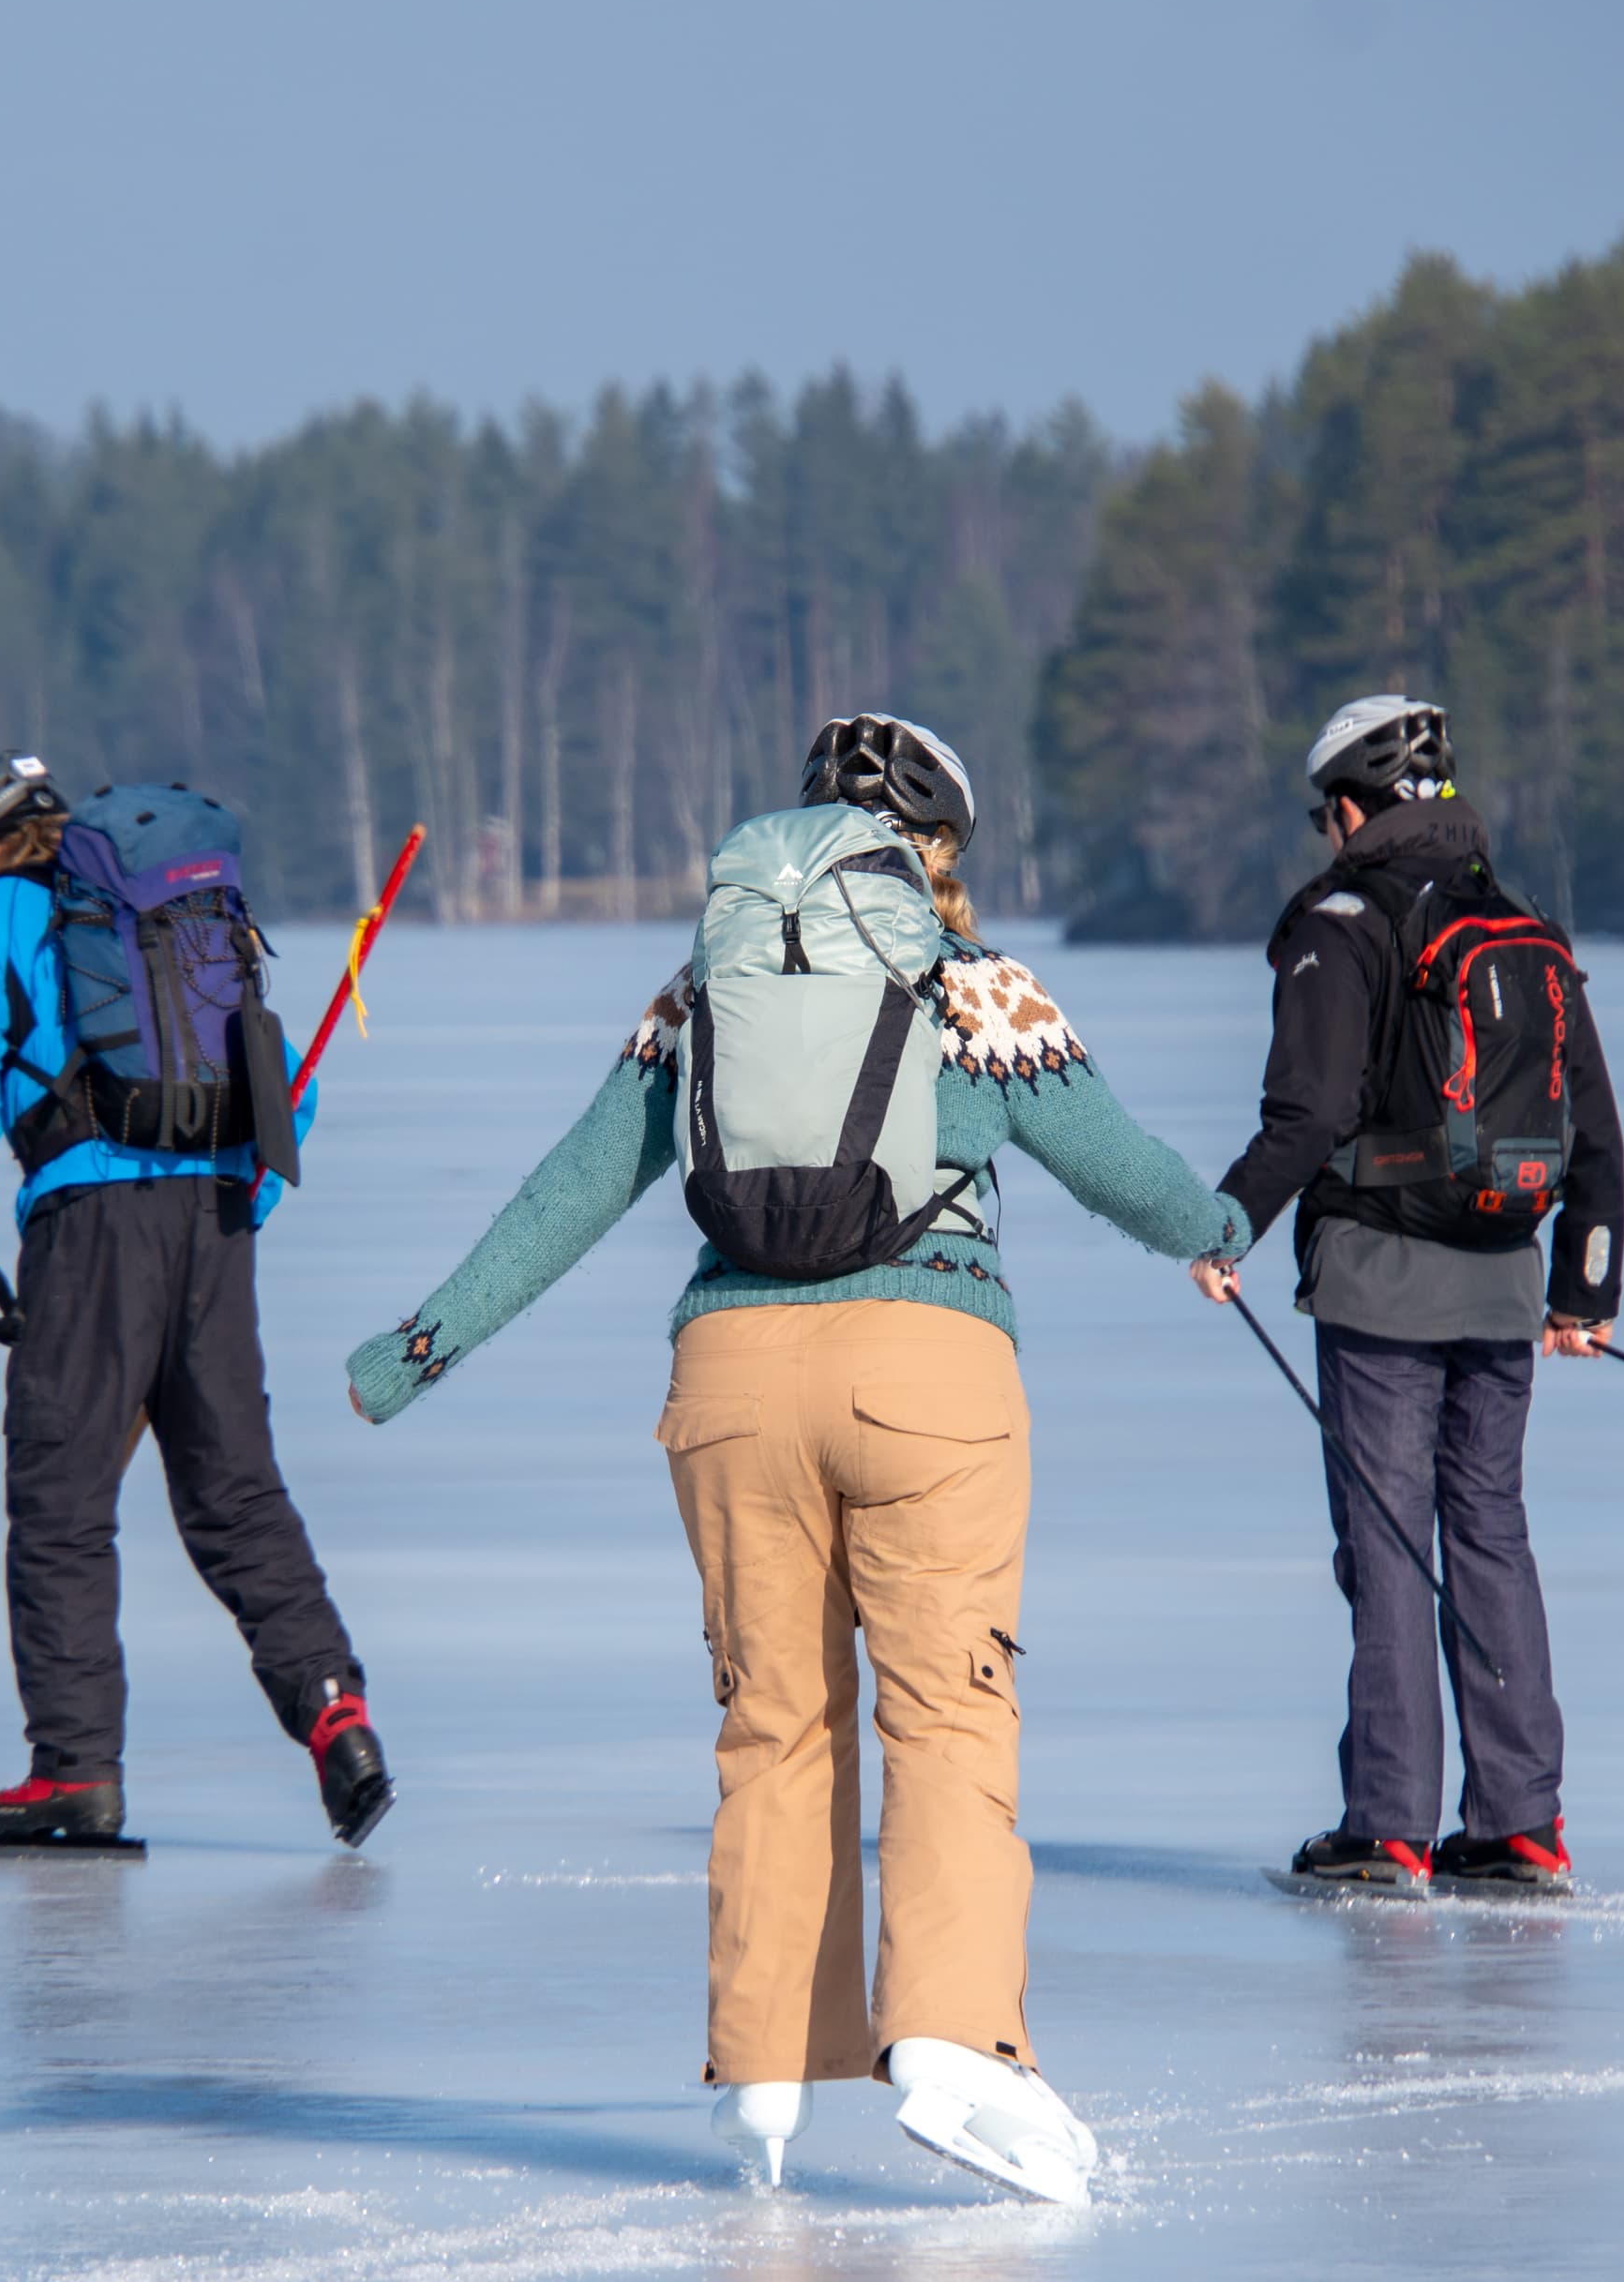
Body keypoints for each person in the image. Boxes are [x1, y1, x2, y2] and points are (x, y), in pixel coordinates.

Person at [343, 715, 1252, 2204]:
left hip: (731, 1390)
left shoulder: (701, 994)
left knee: (775, 1727)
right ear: (939, 849)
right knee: (949, 1719)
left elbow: (571, 1190)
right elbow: (1126, 1168)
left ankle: (763, 2073)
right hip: (927, 1381)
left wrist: (417, 1351)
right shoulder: (981, 990)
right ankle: (953, 2046)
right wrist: (1213, 1236)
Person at [0, 752, 392, 1854]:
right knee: (236, 1492)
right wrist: (247, 1193)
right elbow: (288, 1083)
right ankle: (335, 1711)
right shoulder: (179, 910)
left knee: (61, 1498)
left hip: (90, 1231)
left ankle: (74, 1774)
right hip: (215, 1216)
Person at [1194, 696, 1624, 1896]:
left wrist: (1227, 1222)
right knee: (1489, 1533)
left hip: (1380, 1287)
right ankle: (1519, 1824)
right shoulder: (1519, 924)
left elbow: (1312, 1112)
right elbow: (1591, 1111)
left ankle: (1387, 1823)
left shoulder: (1341, 922)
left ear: (1347, 807)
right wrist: (1588, 1282)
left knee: (1389, 1544)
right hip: (1504, 1284)